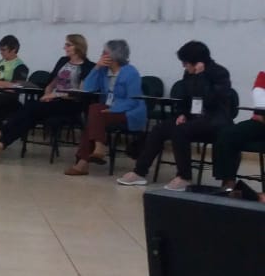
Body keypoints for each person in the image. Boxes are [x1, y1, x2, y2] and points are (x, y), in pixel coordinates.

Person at [118, 41, 233, 191]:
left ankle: (184, 177)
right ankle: (139, 172)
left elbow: (211, 100)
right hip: (193, 117)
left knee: (180, 131)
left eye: (185, 62)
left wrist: (200, 76)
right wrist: (182, 113)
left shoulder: (220, 73)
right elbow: (185, 98)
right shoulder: (188, 73)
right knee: (159, 129)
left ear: (197, 62)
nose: (183, 66)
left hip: (214, 120)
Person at [0, 34, 94, 161]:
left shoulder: (88, 66)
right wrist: (47, 94)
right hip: (53, 101)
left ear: (78, 46)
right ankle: (0, 145)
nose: (64, 47)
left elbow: (80, 92)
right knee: (30, 118)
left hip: (70, 104)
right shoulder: (63, 61)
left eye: (68, 45)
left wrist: (54, 95)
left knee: (30, 107)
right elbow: (52, 83)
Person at [65, 39, 146, 176]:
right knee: (95, 112)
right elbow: (87, 88)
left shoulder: (131, 73)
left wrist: (114, 109)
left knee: (95, 112)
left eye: (104, 52)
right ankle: (97, 148)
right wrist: (96, 68)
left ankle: (85, 161)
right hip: (105, 111)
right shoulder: (103, 71)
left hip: (130, 112)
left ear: (114, 55)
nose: (101, 55)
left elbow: (133, 100)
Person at [212, 71, 265, 189]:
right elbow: (260, 100)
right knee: (227, 134)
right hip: (260, 123)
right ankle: (229, 183)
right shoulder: (263, 75)